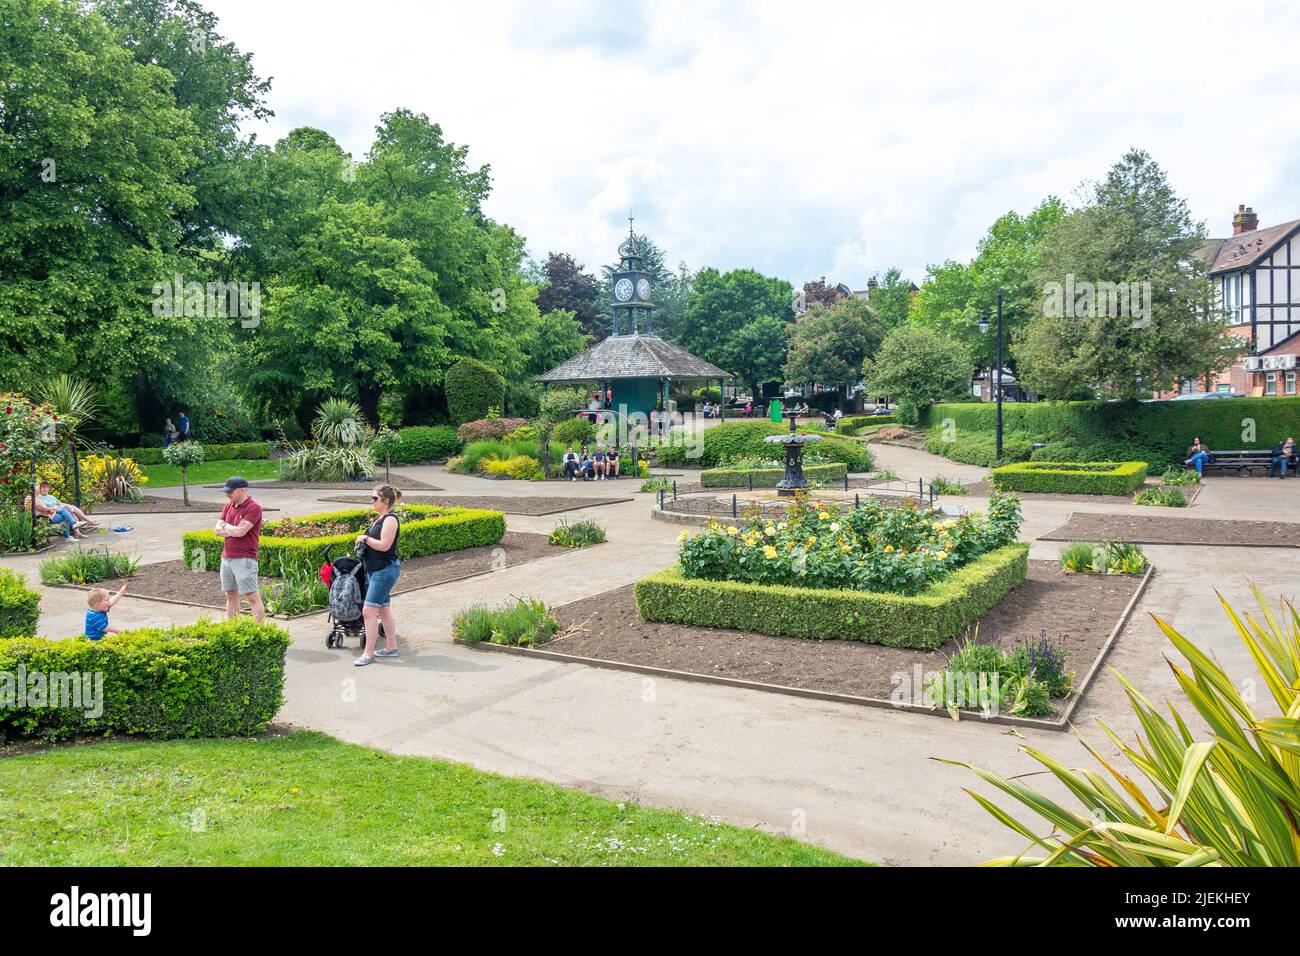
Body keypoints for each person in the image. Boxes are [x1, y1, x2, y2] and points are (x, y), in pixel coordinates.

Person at [354, 484, 402, 666]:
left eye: (374, 498)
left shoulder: (390, 520)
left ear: (385, 501)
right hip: (377, 570)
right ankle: (391, 647)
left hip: (385, 570)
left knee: (368, 611)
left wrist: (364, 538)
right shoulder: (380, 518)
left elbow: (384, 545)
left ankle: (368, 653)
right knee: (383, 609)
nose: (371, 501)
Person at [214, 476, 264, 622]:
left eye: (231, 492)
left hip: (244, 559)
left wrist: (225, 527)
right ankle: (233, 628)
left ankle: (257, 631)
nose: (228, 495)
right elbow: (217, 530)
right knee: (230, 594)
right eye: (226, 492)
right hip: (227, 558)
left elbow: (240, 532)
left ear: (242, 490)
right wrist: (230, 529)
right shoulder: (228, 505)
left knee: (251, 596)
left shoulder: (253, 507)